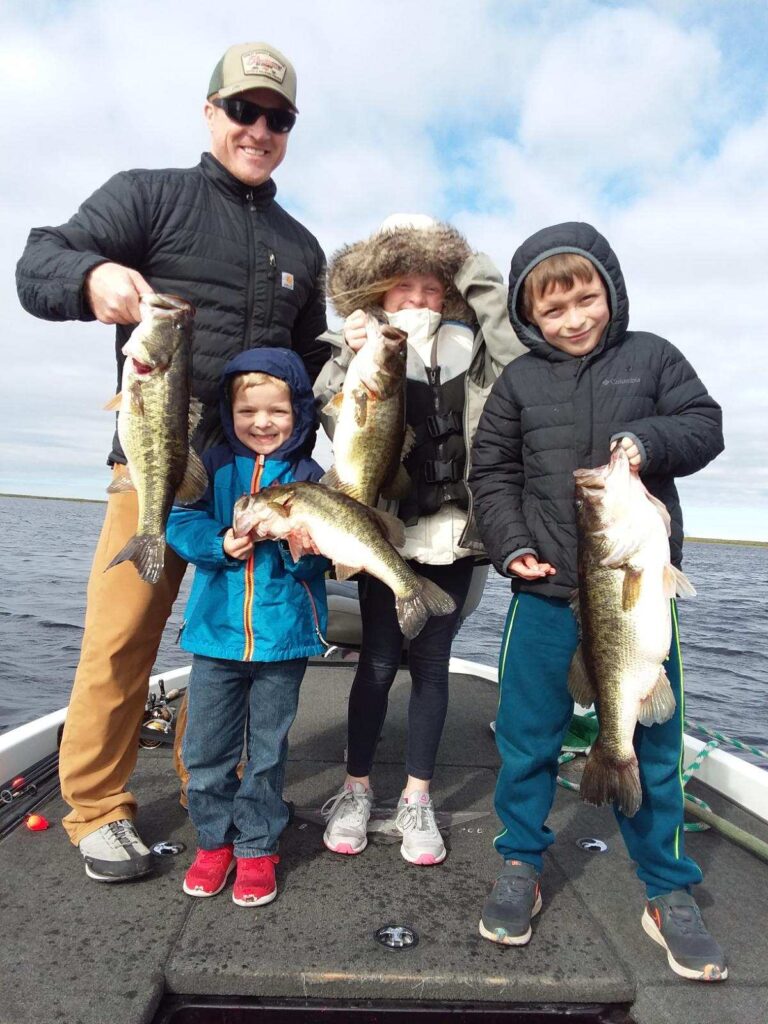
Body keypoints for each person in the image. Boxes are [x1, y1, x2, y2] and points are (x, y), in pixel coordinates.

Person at [14, 41, 329, 881]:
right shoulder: (149, 196)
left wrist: (356, 364)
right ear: (211, 111)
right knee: (120, 645)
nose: (258, 129)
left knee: (232, 646)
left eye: (278, 118)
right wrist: (93, 276)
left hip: (256, 487)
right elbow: (37, 265)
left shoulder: (302, 246)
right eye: (244, 111)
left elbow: (312, 370)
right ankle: (95, 809)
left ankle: (214, 791)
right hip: (153, 472)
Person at [468, 221, 727, 981]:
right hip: (546, 595)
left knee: (652, 741)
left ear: (609, 290)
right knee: (527, 734)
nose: (574, 318)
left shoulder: (651, 357)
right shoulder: (519, 383)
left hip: (636, 598)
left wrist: (645, 440)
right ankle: (520, 861)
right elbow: (492, 474)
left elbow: (704, 424)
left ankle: (667, 891)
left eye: (586, 299)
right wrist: (510, 540)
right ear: (528, 317)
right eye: (553, 310)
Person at [314, 214, 526, 866]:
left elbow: (516, 350)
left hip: (455, 535)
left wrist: (472, 266)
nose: (418, 300)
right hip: (382, 526)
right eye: (402, 287)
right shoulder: (354, 346)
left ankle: (416, 797)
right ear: (377, 295)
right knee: (377, 661)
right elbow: (327, 409)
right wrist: (351, 348)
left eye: (432, 288)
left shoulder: (479, 351)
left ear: (451, 295)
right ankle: (354, 790)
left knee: (431, 664)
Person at [165, 348, 329, 906]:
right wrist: (220, 544)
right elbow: (180, 522)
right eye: (248, 411)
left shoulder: (311, 477)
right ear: (229, 414)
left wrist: (300, 549)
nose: (262, 422)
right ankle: (215, 841)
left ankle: (258, 846)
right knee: (206, 749)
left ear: (299, 413)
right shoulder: (209, 466)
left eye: (278, 411)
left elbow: (316, 563)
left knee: (267, 751)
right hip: (215, 637)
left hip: (284, 640)